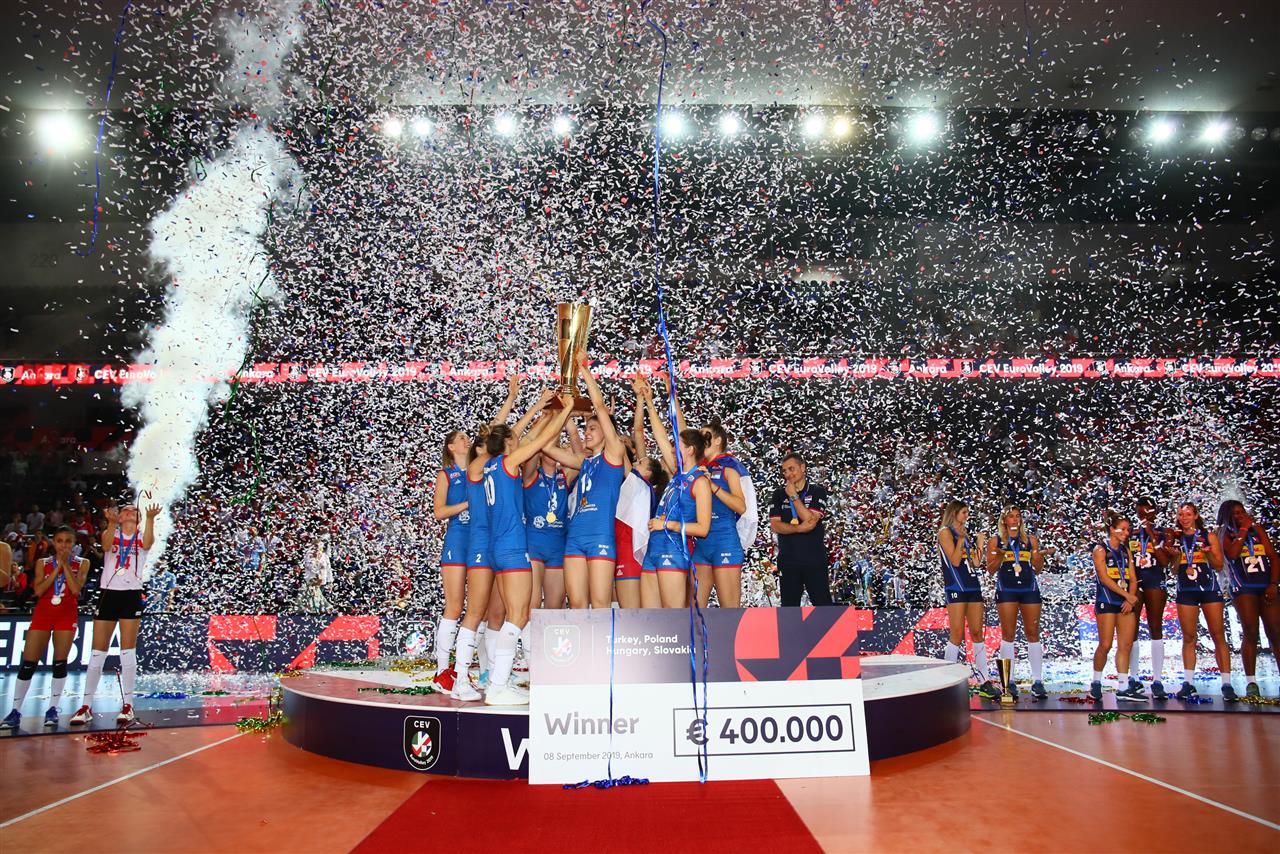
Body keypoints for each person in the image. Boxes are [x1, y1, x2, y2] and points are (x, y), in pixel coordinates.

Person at [482, 401, 574, 705]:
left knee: (515, 615)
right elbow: (540, 441)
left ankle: (498, 680)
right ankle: (498, 686)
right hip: (512, 548)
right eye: (515, 439)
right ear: (508, 444)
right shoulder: (508, 463)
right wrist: (564, 411)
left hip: (498, 547)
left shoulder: (490, 466)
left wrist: (542, 413)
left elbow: (530, 436)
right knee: (519, 615)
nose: (520, 441)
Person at [543, 351, 631, 610]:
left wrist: (584, 369)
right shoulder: (584, 462)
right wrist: (560, 413)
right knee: (577, 605)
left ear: (607, 432)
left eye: (592, 428)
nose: (587, 433)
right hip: (575, 537)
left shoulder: (614, 455)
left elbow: (600, 408)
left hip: (600, 536)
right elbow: (547, 448)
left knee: (601, 604)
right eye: (586, 429)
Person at [70, 502, 160, 726]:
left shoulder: (141, 536)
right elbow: (106, 545)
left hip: (131, 594)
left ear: (139, 518)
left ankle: (128, 705)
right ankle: (85, 706)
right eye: (125, 510)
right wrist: (110, 523)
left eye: (134, 510)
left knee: (127, 651)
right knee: (97, 653)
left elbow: (149, 543)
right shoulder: (112, 533)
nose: (130, 511)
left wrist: (150, 519)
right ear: (119, 517)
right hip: (108, 593)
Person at [1, 527, 89, 729]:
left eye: (68, 541)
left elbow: (76, 589)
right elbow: (39, 590)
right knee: (28, 663)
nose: (63, 545)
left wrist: (65, 565)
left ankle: (52, 709)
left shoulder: (82, 562)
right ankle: (15, 711)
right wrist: (57, 568)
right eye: (59, 541)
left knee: (59, 663)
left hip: (66, 615)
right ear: (53, 542)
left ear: (74, 543)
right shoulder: (43, 563)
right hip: (43, 613)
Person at [638, 386, 711, 608]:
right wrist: (649, 402)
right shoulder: (677, 474)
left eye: (677, 445)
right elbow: (660, 437)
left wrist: (667, 524)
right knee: (651, 619)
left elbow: (703, 528)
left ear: (690, 450)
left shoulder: (700, 482)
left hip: (674, 549)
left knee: (672, 619)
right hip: (653, 549)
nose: (671, 449)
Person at [1169, 502, 1234, 701]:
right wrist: (1176, 557)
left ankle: (1227, 684)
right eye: (1181, 514)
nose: (1184, 518)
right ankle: (1188, 683)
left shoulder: (1208, 536)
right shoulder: (1177, 538)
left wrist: (1207, 553)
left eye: (1188, 514)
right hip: (1186, 591)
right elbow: (1174, 570)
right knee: (1189, 637)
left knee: (1218, 635)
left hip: (1209, 589)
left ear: (1196, 515)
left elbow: (1219, 565)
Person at [983, 505, 1048, 699]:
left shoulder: (1030, 540)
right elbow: (990, 569)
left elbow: (1037, 569)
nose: (1015, 519)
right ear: (1004, 520)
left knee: (1033, 633)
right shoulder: (995, 540)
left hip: (1029, 589)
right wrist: (1001, 554)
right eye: (1011, 516)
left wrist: (1039, 558)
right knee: (1008, 634)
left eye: (1018, 516)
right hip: (1007, 590)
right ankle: (1008, 681)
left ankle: (1038, 681)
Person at [937, 500, 998, 699]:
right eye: (964, 512)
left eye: (967, 512)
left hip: (972, 586)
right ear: (954, 513)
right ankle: (947, 681)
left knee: (978, 632)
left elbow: (976, 563)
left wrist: (979, 543)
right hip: (956, 586)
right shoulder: (945, 532)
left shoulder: (965, 534)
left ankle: (984, 680)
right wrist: (962, 539)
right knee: (957, 633)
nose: (967, 515)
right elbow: (955, 561)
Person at [1217, 500, 1277, 699]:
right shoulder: (1224, 533)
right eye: (1235, 513)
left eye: (1242, 511)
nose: (1241, 515)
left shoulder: (1257, 530)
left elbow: (1273, 557)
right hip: (1243, 587)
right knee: (1251, 631)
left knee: (1275, 632)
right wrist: (1243, 530)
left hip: (1265, 584)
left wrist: (1273, 584)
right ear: (1227, 515)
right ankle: (1251, 682)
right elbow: (1233, 554)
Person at [693, 416, 752, 609]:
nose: (700, 441)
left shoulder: (729, 467)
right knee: (694, 610)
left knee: (730, 612)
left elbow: (741, 507)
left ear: (718, 440)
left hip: (724, 540)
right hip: (702, 545)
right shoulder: (698, 468)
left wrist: (712, 486)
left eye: (705, 436)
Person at [429, 429, 472, 692]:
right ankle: (442, 671)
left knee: (480, 609)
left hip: (480, 541)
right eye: (462, 438)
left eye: (468, 437)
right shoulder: (445, 475)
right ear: (451, 447)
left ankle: (465, 669)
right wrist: (467, 504)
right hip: (457, 542)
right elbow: (439, 512)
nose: (467, 441)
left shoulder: (481, 469)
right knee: (454, 606)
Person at [1090, 511, 1143, 701]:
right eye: (1123, 529)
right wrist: (1127, 595)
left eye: (1128, 530)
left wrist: (1130, 599)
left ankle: (1122, 686)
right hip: (1107, 600)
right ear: (1112, 529)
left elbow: (1133, 578)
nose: (1127, 533)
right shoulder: (1100, 549)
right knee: (1105, 644)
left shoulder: (1126, 551)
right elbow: (1104, 578)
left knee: (1126, 645)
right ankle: (1096, 681)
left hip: (1125, 602)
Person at [768, 453, 833, 607]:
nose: (788, 474)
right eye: (784, 471)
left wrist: (793, 496)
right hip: (788, 561)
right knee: (789, 610)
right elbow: (775, 525)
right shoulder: (778, 494)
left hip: (814, 560)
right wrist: (799, 528)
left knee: (823, 608)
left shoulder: (817, 491)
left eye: (791, 469)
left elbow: (810, 521)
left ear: (803, 467)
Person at [1129, 497, 1175, 698]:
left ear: (1155, 512)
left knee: (1155, 626)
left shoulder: (1164, 532)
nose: (1144, 515)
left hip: (1155, 580)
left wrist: (1151, 536)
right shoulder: (1130, 532)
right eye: (1140, 512)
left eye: (1148, 511)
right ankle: (1134, 677)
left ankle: (1157, 680)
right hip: (1135, 582)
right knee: (1132, 628)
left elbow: (1164, 562)